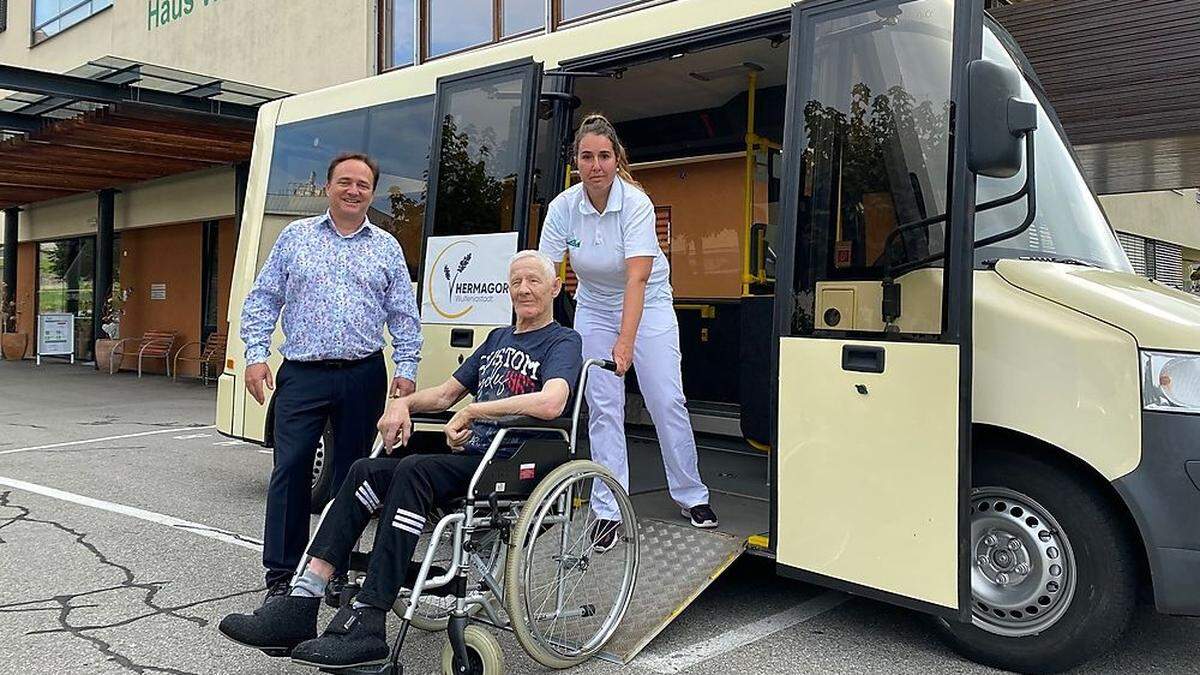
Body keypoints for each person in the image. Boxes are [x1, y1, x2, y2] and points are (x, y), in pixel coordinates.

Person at [219, 250, 582, 669]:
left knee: (414, 470)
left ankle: (369, 618)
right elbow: (446, 395)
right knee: (363, 471)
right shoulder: (499, 339)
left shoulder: (562, 341)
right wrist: (401, 404)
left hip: (511, 461)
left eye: (534, 281)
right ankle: (301, 602)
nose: (523, 289)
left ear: (554, 287)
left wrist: (474, 411)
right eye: (516, 281)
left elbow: (553, 401)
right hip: (473, 460)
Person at [239, 152, 423, 603]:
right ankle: (282, 576)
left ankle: (335, 567)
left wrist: (407, 369)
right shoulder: (295, 238)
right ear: (328, 187)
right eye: (345, 182)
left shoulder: (386, 247)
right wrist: (256, 355)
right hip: (302, 373)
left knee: (352, 476)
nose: (353, 190)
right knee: (291, 468)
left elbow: (403, 315)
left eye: (362, 184)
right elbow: (263, 299)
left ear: (372, 192)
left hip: (363, 374)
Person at [538, 113, 718, 544]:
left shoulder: (636, 203)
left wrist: (626, 342)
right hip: (595, 308)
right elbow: (544, 271)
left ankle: (691, 494)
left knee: (666, 400)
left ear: (617, 160)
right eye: (587, 157)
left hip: (650, 306)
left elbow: (637, 278)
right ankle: (608, 507)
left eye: (604, 156)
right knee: (604, 408)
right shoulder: (563, 207)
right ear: (576, 163)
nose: (595, 165)